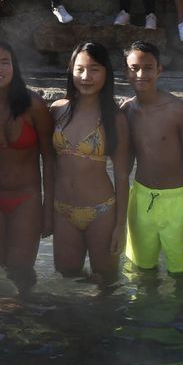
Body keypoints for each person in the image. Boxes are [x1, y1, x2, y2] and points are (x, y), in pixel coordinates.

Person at [0, 39, 54, 288]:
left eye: (4, 62)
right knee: (1, 266)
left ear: (14, 66)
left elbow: (49, 159)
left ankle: (25, 318)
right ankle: (4, 322)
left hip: (26, 199)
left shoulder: (32, 105)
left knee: (21, 268)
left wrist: (48, 210)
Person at [49, 42, 131, 284]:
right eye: (80, 69)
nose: (86, 77)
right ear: (71, 71)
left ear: (106, 72)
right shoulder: (57, 110)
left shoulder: (115, 119)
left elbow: (122, 175)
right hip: (63, 210)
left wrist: (120, 226)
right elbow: (48, 164)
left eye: (94, 69)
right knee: (67, 278)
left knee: (106, 282)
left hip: (102, 212)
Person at [121, 41, 183, 275]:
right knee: (140, 272)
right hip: (140, 201)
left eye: (148, 68)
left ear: (159, 70)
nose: (141, 74)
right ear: (126, 72)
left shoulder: (178, 110)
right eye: (134, 67)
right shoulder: (126, 111)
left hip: (177, 202)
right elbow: (124, 165)